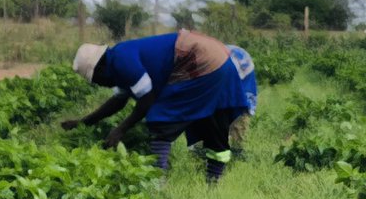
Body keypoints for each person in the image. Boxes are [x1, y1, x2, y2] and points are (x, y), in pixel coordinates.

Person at [63, 30, 251, 183]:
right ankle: (214, 184)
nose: (100, 85)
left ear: (99, 69)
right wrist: (83, 122)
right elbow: (119, 100)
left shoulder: (121, 60)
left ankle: (157, 183)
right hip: (220, 58)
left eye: (96, 80)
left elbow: (147, 99)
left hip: (198, 59)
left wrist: (121, 130)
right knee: (210, 120)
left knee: (160, 120)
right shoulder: (118, 57)